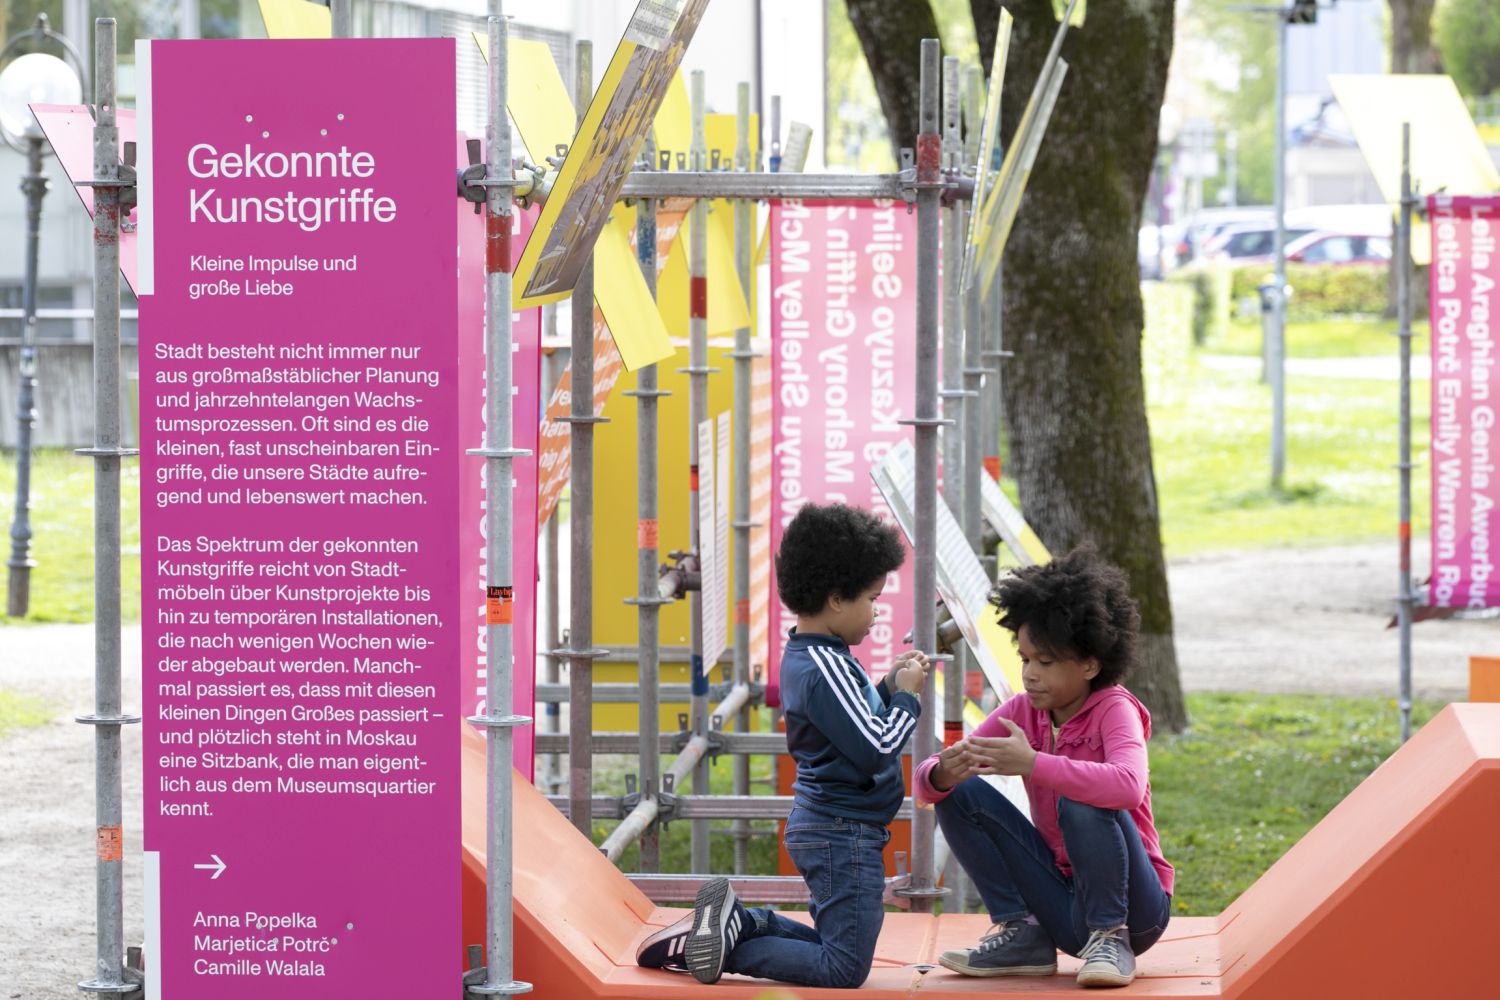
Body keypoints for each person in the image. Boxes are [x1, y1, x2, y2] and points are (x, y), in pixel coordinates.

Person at [635, 502, 930, 987]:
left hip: (834, 826)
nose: (876, 612)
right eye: (871, 599)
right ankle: (723, 947)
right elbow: (877, 746)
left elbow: (848, 724)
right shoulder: (826, 667)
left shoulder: (815, 655)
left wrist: (885, 687)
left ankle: (743, 923)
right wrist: (907, 699)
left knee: (833, 947)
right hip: (843, 832)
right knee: (843, 968)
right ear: (836, 599)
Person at [914, 546, 1173, 989]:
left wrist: (1034, 763)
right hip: (1066, 909)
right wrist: (942, 774)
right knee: (962, 791)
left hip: (1136, 912)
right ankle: (1024, 933)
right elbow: (927, 784)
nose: (1030, 674)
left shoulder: (1115, 708)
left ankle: (1110, 939)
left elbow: (1128, 787)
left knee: (1084, 797)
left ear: (1090, 664)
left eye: (1045, 662)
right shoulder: (1023, 711)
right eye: (1025, 659)